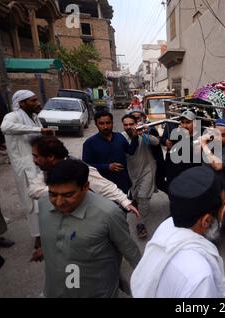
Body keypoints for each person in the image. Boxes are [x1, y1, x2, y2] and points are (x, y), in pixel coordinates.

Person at [37, 159, 141, 297]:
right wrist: (47, 247)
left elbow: (131, 252)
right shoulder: (43, 202)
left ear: (85, 187)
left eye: (68, 195)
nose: (59, 202)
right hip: (54, 290)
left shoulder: (108, 213)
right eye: (53, 194)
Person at [131, 166, 225, 298]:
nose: (224, 210)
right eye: (223, 206)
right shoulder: (200, 277)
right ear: (206, 220)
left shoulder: (167, 225)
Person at [0, 90, 54, 249]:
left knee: (42, 199)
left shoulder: (35, 117)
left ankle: (44, 232)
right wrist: (39, 131)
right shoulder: (13, 116)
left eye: (37, 99)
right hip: (24, 168)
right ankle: (37, 238)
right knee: (31, 204)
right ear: (22, 103)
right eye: (33, 100)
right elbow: (5, 127)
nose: (38, 103)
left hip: (38, 165)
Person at [82, 111, 139, 194]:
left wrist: (135, 138)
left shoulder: (120, 137)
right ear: (96, 124)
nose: (105, 126)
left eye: (108, 123)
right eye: (101, 123)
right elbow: (86, 166)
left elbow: (130, 151)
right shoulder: (89, 143)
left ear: (112, 123)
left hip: (122, 182)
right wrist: (107, 167)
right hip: (103, 185)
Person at [121, 114, 158, 239]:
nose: (128, 127)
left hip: (147, 171)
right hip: (132, 173)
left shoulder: (142, 135)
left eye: (131, 124)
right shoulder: (121, 138)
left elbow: (156, 142)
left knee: (143, 197)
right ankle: (138, 204)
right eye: (126, 125)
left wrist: (144, 133)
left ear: (136, 124)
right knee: (136, 196)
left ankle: (141, 224)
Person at [165, 110, 202, 184]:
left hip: (191, 179)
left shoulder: (200, 138)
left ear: (195, 124)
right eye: (182, 122)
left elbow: (195, 158)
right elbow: (171, 158)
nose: (184, 126)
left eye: (188, 122)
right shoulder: (177, 136)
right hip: (175, 178)